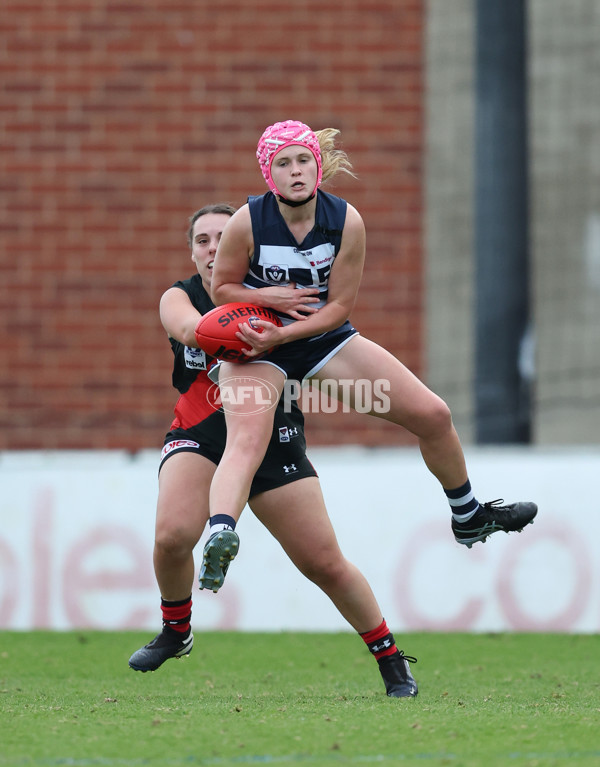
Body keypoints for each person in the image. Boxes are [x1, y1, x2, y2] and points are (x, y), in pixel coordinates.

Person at [205, 119, 538, 579]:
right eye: (284, 163)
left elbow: (339, 307)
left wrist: (286, 333)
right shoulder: (247, 221)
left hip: (318, 340)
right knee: (245, 441)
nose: (296, 171)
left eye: (304, 160)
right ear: (269, 174)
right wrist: (271, 302)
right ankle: (220, 532)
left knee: (434, 415)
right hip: (257, 347)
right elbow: (222, 289)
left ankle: (468, 516)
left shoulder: (346, 221)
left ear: (317, 166)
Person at [128, 203, 418, 699]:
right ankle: (177, 630)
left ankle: (391, 660)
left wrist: (276, 316)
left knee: (323, 562)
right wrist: (226, 330)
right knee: (173, 535)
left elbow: (327, 327)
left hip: (274, 435)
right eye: (202, 240)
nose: (213, 248)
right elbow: (185, 328)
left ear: (246, 248)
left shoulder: (278, 296)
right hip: (203, 431)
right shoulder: (180, 297)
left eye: (223, 237)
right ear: (193, 251)